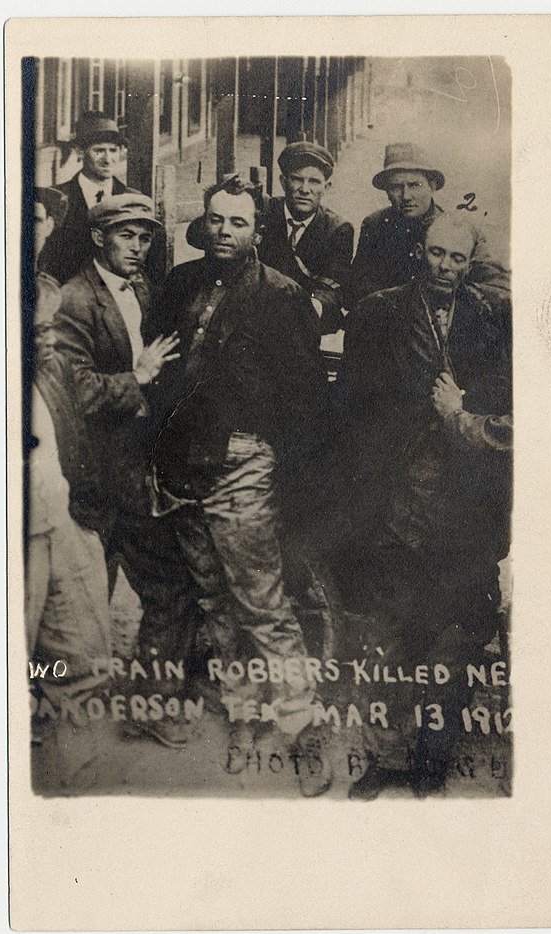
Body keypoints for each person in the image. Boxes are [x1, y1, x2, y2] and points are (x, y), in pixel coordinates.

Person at [148, 175, 333, 796]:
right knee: (213, 601)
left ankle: (302, 727)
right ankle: (246, 716)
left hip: (242, 461)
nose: (225, 232)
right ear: (204, 224)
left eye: (239, 223)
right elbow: (160, 372)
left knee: (261, 601)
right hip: (181, 465)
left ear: (258, 230)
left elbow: (307, 398)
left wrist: (276, 465)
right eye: (217, 221)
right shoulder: (179, 283)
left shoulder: (281, 296)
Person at [339, 212, 512, 799]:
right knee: (388, 635)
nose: (445, 267)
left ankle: (432, 762)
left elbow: (502, 408)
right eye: (436, 254)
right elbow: (355, 409)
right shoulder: (380, 311)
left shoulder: (491, 320)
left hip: (463, 507)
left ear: (470, 265)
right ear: (421, 251)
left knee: (453, 640)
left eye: (457, 259)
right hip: (396, 501)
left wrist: (461, 414)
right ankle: (384, 756)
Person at [54, 193, 203, 748]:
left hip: (137, 469)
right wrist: (137, 378)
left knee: (157, 586)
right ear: (99, 238)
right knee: (82, 597)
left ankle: (143, 702)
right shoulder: (73, 300)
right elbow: (73, 394)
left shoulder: (141, 288)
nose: (137, 248)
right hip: (93, 476)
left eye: (145, 238)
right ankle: (61, 709)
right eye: (125, 236)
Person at [27, 187, 113, 757]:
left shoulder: (42, 286)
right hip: (29, 483)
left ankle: (45, 693)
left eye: (41, 219)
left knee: (79, 629)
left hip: (54, 476)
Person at [186, 142, 354, 335]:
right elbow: (195, 236)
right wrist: (234, 200)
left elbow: (334, 285)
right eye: (297, 179)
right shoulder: (265, 210)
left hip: (303, 315)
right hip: (252, 309)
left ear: (327, 186)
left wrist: (310, 308)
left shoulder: (336, 229)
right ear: (283, 182)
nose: (305, 189)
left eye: (314, 182)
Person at [349, 141, 509, 305]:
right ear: (387, 192)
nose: (406, 196)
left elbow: (499, 285)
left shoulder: (458, 229)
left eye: (415, 185)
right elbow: (359, 286)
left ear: (432, 186)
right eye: (396, 187)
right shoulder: (375, 225)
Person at [38, 111, 132, 285]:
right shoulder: (55, 199)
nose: (108, 159)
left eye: (113, 150)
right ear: (80, 151)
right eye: (99, 151)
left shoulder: (131, 199)